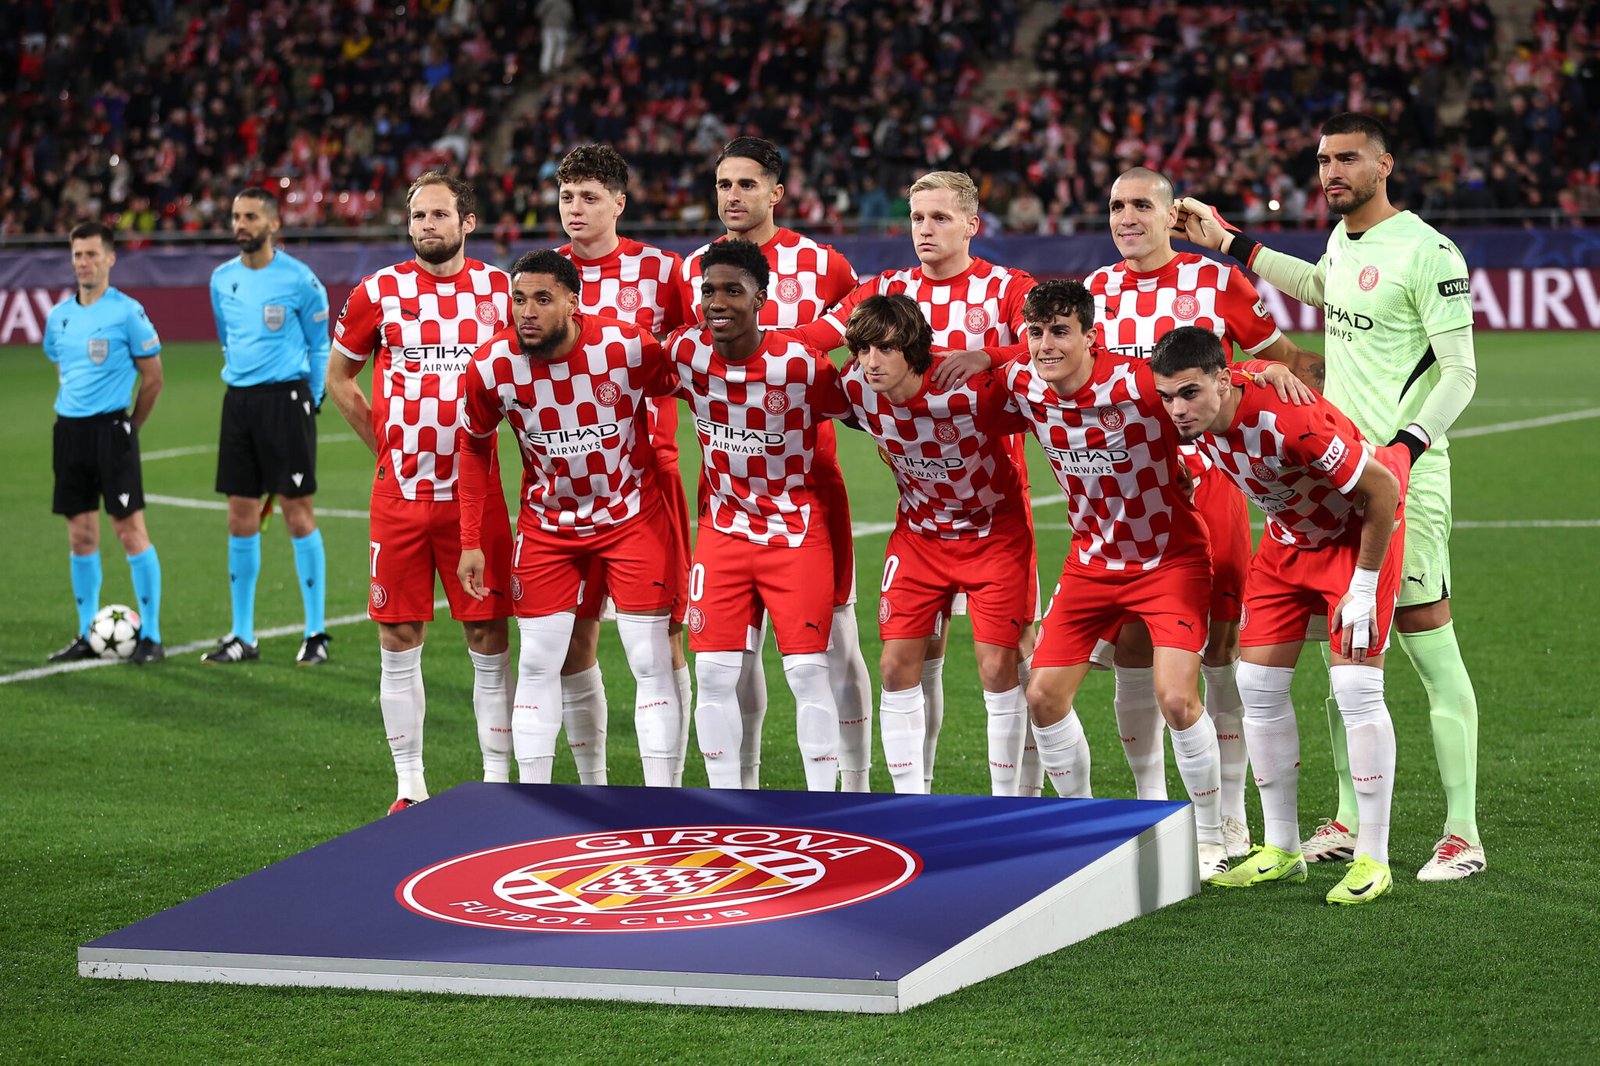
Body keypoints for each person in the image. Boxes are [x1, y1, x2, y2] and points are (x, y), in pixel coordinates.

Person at [1176, 112, 1485, 881]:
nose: (1331, 172)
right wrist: (1233, 243)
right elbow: (1321, 287)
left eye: (1347, 158)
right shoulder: (1344, 243)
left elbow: (1461, 372)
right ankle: (1348, 819)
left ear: (1386, 162)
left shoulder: (1427, 251)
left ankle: (1461, 832)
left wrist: (1408, 449)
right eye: (1322, 161)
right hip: (1335, 479)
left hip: (1403, 480)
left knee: (1427, 647)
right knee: (1346, 662)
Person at [1000, 281, 1310, 880]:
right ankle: (1086, 830)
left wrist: (1266, 370)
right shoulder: (1020, 381)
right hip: (1091, 563)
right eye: (1035, 333)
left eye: (1060, 331)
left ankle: (1211, 835)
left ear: (1091, 337)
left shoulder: (1136, 383)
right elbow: (977, 376)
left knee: (1176, 696)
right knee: (1041, 696)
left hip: (1171, 559)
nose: (1044, 345)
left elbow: (1203, 381)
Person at [1084, 166, 1316, 857]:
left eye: (1141, 206)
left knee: (1218, 653)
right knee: (1131, 646)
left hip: (1209, 489)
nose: (1127, 217)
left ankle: (1232, 820)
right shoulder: (1095, 291)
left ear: (1169, 214)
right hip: (1123, 498)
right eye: (1116, 205)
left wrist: (1260, 373)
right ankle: (1149, 814)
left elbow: (1295, 364)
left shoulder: (1216, 282)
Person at [788, 169, 1040, 795]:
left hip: (993, 508)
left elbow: (1052, 342)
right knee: (911, 659)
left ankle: (1016, 798)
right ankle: (915, 794)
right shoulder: (884, 290)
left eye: (940, 218)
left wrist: (990, 355)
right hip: (921, 516)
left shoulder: (1007, 289)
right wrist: (749, 352)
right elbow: (816, 342)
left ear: (972, 224)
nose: (924, 230)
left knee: (1003, 664)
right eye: (917, 218)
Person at [1151, 325, 1408, 904]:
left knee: (1356, 691)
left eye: (1188, 393)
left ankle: (1374, 856)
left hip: (1354, 537)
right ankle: (1283, 848)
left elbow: (1385, 490)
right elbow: (1242, 370)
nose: (1176, 409)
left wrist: (1364, 584)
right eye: (1167, 396)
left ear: (1219, 380)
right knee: (1256, 686)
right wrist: (1261, 368)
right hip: (1288, 542)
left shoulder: (1292, 421)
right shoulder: (1221, 388)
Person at [681, 137, 872, 792]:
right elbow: (688, 356)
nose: (733, 196)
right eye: (723, 185)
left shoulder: (822, 264)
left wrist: (803, 348)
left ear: (776, 192)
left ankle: (854, 783)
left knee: (832, 644)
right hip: (726, 488)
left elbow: (863, 326)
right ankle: (745, 785)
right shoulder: (693, 270)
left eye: (746, 184)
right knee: (732, 656)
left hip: (809, 484)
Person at [457, 250, 684, 787]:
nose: (527, 312)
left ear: (573, 304)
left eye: (542, 299)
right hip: (547, 527)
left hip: (631, 517)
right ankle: (537, 805)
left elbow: (696, 390)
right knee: (538, 661)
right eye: (518, 300)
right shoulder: (492, 365)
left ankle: (663, 801)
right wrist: (471, 539)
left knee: (649, 661)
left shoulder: (626, 346)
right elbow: (473, 446)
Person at [326, 172, 514, 813]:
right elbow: (341, 380)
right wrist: (385, 447)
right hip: (400, 498)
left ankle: (496, 779)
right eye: (417, 216)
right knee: (398, 638)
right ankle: (409, 786)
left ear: (467, 222)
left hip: (476, 496)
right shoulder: (378, 291)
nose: (426, 225)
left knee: (488, 638)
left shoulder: (499, 292)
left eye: (439, 214)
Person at [667, 239, 848, 792]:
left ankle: (824, 807)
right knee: (715, 674)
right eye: (709, 291)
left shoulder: (799, 363)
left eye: (733, 291)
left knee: (808, 673)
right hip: (722, 534)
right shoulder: (685, 352)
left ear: (761, 299)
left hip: (794, 533)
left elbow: (860, 409)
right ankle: (726, 804)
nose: (717, 302)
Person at [837, 294, 1036, 795]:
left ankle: (1005, 805)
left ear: (913, 349)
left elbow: (1048, 361)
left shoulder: (971, 387)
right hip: (920, 537)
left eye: (884, 349)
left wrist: (990, 354)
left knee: (997, 668)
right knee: (894, 665)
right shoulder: (855, 389)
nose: (871, 362)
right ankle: (912, 804)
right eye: (863, 349)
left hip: (994, 535)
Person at [553, 144, 695, 787]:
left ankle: (663, 790)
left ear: (619, 202)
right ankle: (594, 787)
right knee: (572, 643)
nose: (575, 210)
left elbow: (701, 348)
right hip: (565, 493)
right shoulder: (540, 278)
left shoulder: (661, 272)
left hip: (649, 482)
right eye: (566, 197)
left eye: (589, 197)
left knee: (663, 642)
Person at [205, 187, 331, 665]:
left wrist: (314, 396)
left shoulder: (300, 281)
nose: (241, 224)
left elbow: (321, 345)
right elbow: (226, 335)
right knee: (240, 516)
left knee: (298, 512)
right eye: (237, 215)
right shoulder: (221, 279)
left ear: (273, 224)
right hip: (238, 403)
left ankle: (315, 632)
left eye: (251, 216)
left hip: (286, 400)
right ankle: (243, 635)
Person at [44, 221, 165, 665]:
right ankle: (84, 632)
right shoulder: (59, 316)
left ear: (110, 258)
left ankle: (151, 635)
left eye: (92, 254)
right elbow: (62, 366)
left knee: (129, 531)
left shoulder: (127, 312)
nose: (83, 262)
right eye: (77, 254)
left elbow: (153, 379)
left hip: (113, 430)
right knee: (80, 534)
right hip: (69, 432)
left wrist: (132, 424)